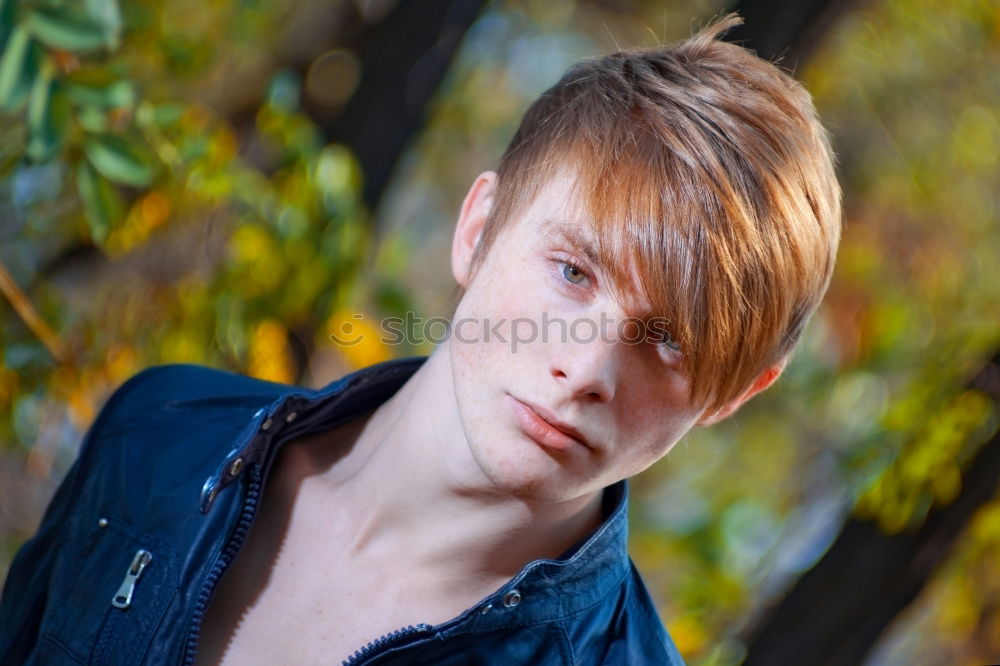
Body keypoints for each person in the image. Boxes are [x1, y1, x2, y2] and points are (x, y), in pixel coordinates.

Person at [0, 12, 840, 666]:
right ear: (477, 228)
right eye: (573, 273)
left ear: (735, 392)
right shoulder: (162, 432)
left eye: (667, 339)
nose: (583, 368)